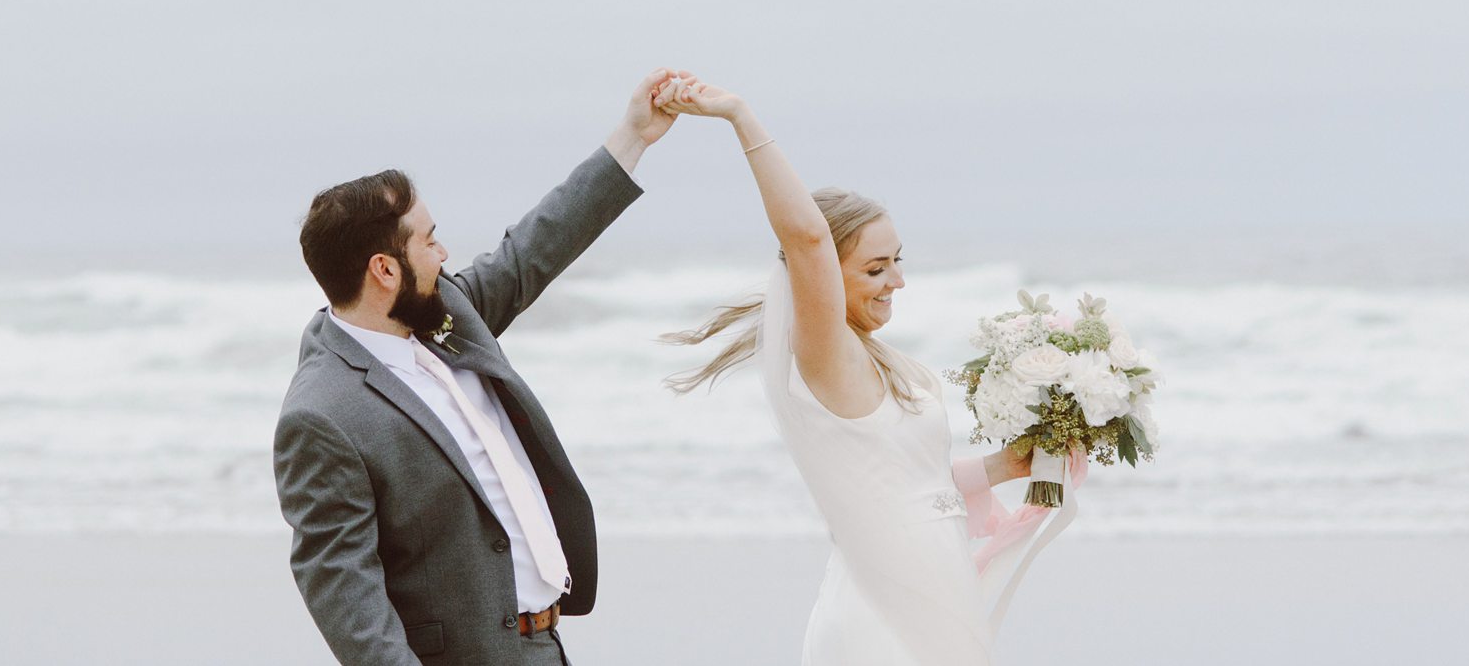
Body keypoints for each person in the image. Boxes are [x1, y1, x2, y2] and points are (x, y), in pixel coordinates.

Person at [274, 69, 683, 665]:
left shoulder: (446, 314)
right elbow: (346, 596)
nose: (444, 254)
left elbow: (534, 249)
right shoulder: (322, 414)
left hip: (545, 645)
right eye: (429, 241)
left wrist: (634, 136)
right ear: (385, 269)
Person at [661, 76, 1065, 666]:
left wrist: (1010, 464)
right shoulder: (826, 356)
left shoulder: (878, 361)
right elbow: (804, 238)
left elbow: (911, 485)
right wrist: (739, 116)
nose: (897, 281)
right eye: (875, 268)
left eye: (897, 262)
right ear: (826, 277)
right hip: (878, 620)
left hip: (934, 596)